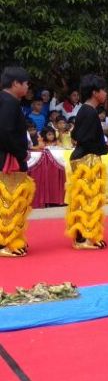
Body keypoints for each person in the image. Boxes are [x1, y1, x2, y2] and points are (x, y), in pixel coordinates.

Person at [66, 74, 108, 250]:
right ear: (95, 92)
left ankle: (82, 236)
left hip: (83, 157)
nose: (106, 93)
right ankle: (84, 237)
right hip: (87, 159)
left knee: (82, 198)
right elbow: (85, 138)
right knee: (88, 198)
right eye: (104, 90)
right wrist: (104, 147)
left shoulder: (84, 110)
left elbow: (75, 135)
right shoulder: (90, 112)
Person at [0, 67, 35, 257]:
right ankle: (4, 243)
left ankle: (10, 239)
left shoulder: (6, 100)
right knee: (9, 202)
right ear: (15, 84)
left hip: (8, 156)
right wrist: (21, 153)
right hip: (9, 159)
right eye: (26, 83)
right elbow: (5, 132)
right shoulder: (9, 103)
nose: (28, 86)